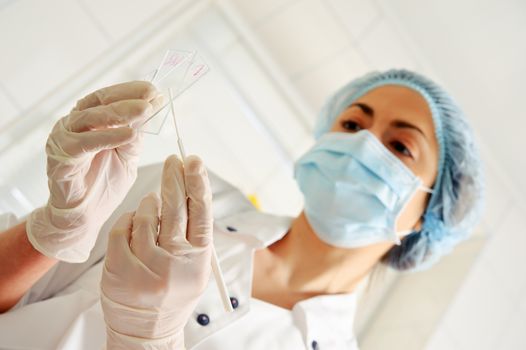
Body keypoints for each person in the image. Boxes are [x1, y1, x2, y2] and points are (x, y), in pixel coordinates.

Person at [0, 69, 483, 349]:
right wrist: (55, 229)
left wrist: (142, 339)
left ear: (429, 213)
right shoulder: (183, 199)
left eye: (399, 147)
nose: (361, 147)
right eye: (353, 123)